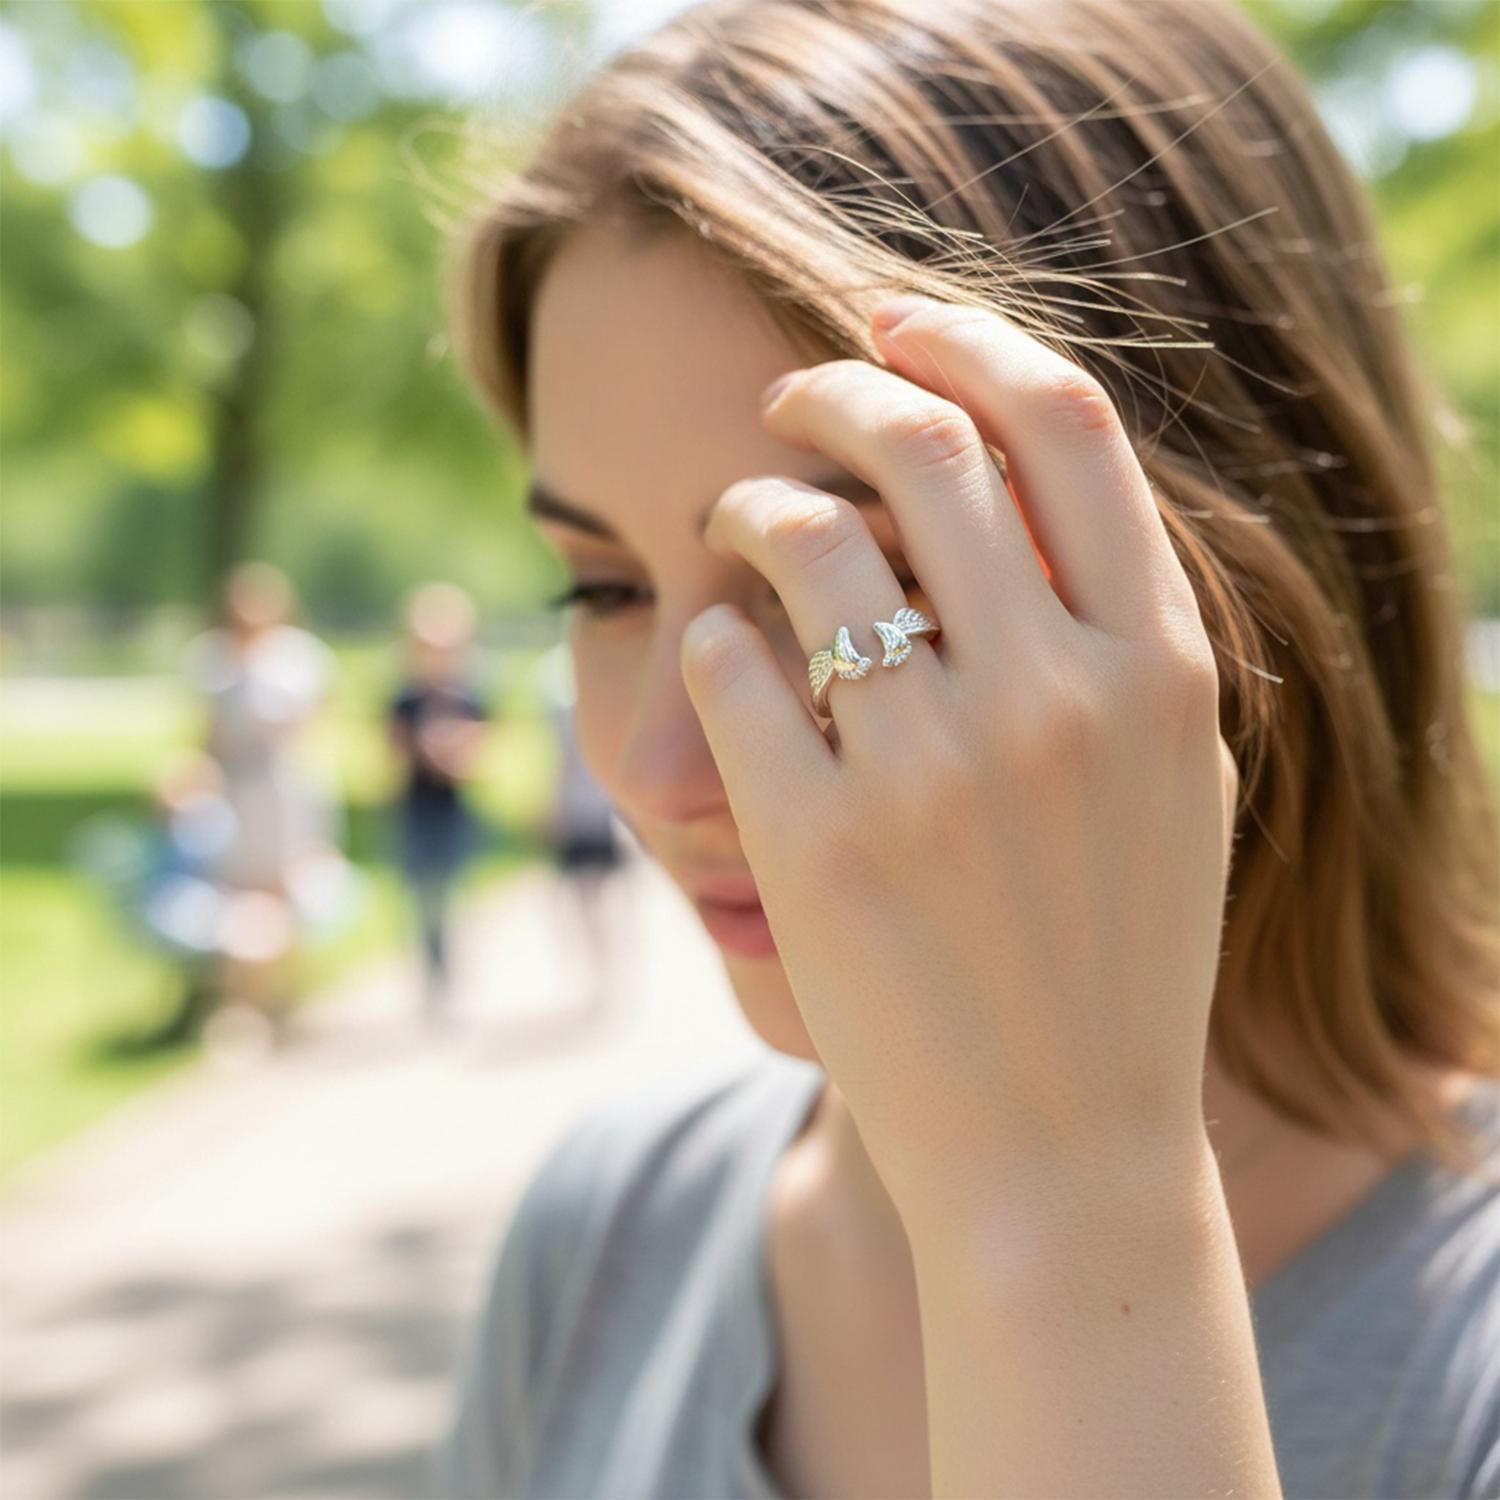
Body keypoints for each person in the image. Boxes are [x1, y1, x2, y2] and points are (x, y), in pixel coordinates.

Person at [439, 1, 1500, 1496]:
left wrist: (1073, 1220)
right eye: (605, 589)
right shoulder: (612, 1233)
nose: (663, 771)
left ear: (1246, 563)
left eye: (864, 581)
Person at [184, 561, 345, 1044]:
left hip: (283, 794)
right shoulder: (211, 659)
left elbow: (305, 727)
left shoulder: (295, 660)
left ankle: (281, 999)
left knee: (284, 895)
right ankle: (242, 1004)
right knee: (238, 899)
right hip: (235, 793)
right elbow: (206, 733)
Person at [388, 582, 490, 1016]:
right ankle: (433, 982)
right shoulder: (404, 701)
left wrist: (451, 750)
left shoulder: (468, 698)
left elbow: (477, 755)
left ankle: (455, 979)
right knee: (422, 902)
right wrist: (422, 747)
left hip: (452, 809)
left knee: (454, 897)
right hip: (415, 808)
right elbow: (391, 755)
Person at [535, 640, 626, 1018]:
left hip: (600, 812)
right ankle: (600, 975)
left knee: (595, 901)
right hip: (586, 811)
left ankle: (604, 976)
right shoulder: (574, 702)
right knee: (588, 901)